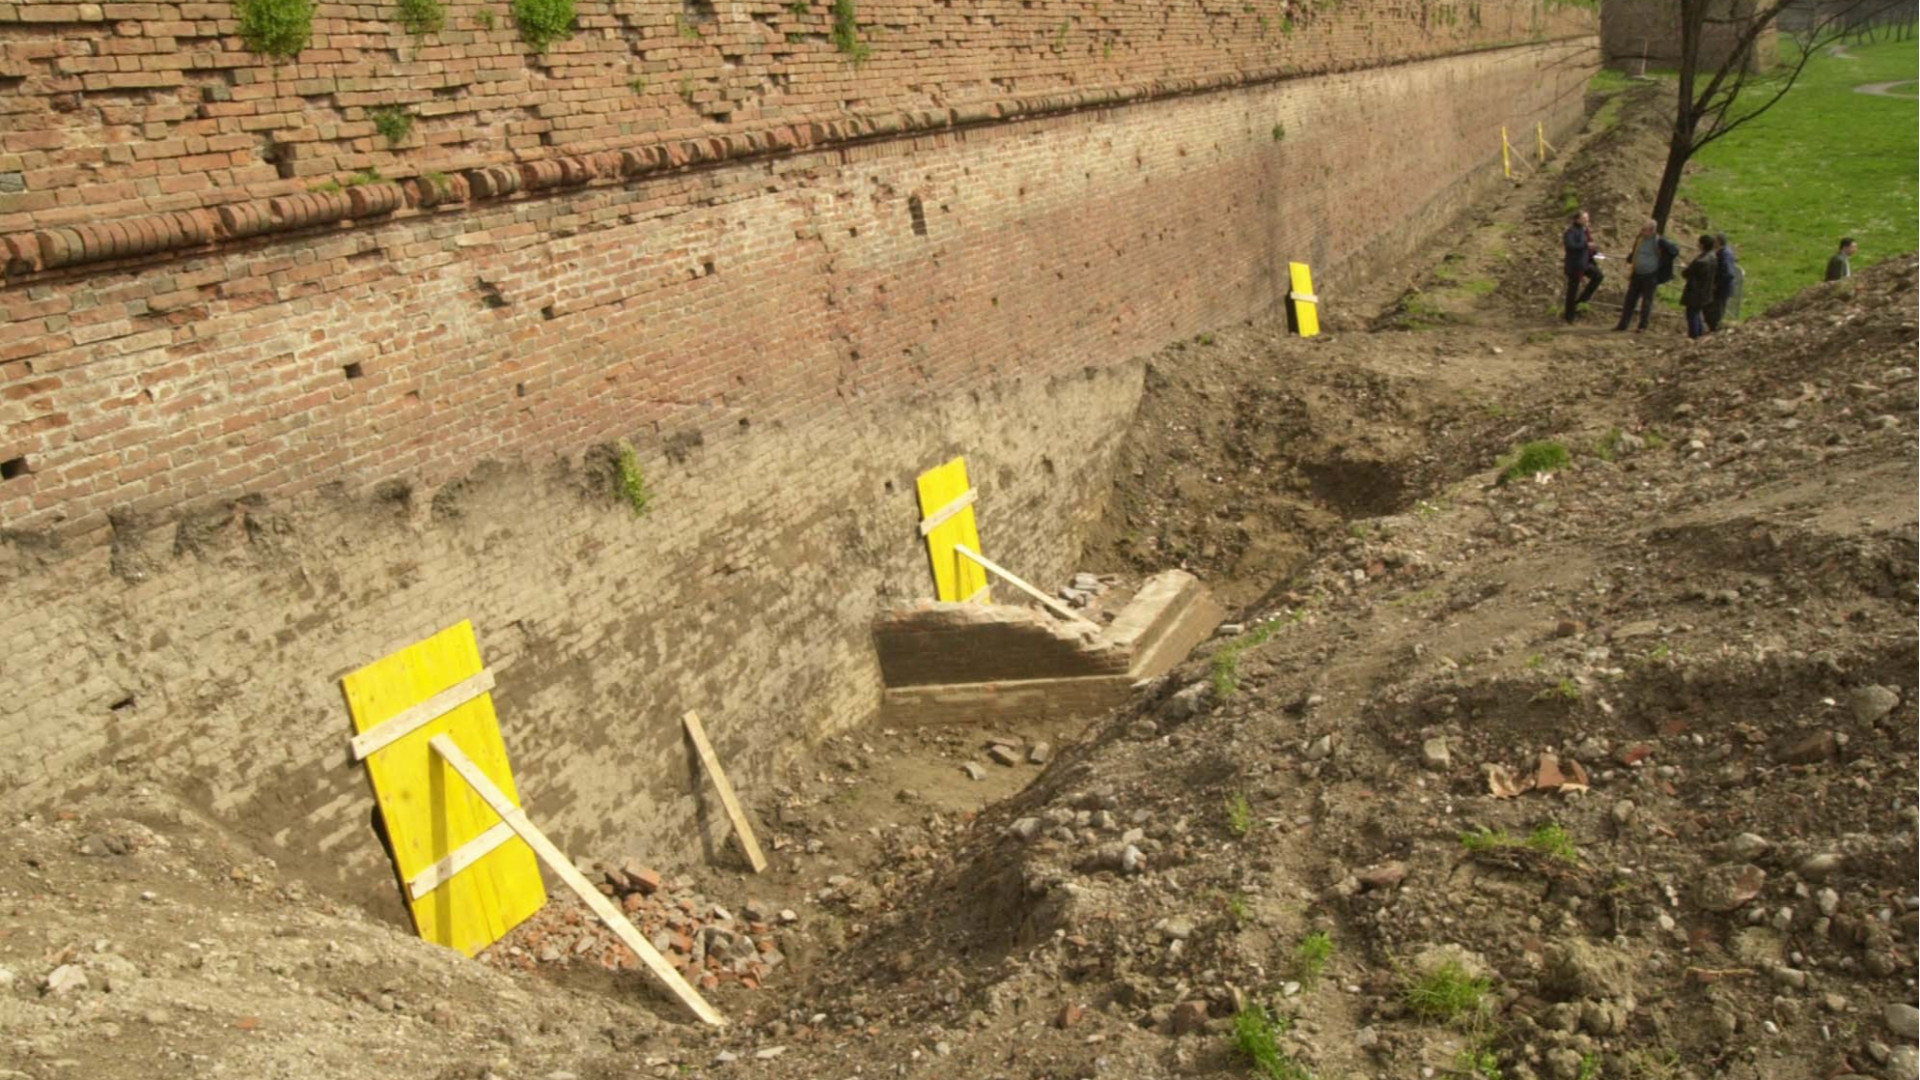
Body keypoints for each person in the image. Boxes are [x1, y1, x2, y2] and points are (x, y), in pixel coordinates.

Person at [1614, 219, 1680, 332]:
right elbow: (1635, 251)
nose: (1641, 231)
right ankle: (1623, 324)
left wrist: (1663, 262)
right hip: (1637, 273)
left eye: (1644, 230)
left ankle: (1643, 326)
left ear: (1651, 231)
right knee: (1630, 300)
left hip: (1650, 275)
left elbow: (1674, 251)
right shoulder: (1639, 239)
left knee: (1647, 302)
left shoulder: (1659, 241)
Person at [1561, 210, 1604, 322]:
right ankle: (1569, 316)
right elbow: (1570, 245)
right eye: (1585, 218)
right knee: (1572, 290)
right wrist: (1586, 245)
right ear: (1578, 220)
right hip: (1574, 265)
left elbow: (1588, 247)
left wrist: (1595, 251)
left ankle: (1580, 302)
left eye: (1587, 218)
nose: (1587, 220)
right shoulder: (1571, 232)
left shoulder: (1585, 231)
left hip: (1585, 264)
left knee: (1598, 276)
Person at [1681, 234, 1718, 340]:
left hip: (1695, 291)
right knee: (1697, 313)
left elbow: (1687, 273)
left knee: (1691, 314)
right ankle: (1699, 333)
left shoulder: (1700, 261)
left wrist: (1686, 269)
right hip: (1706, 291)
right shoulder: (1713, 257)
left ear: (1702, 245)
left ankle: (1694, 336)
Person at [1706, 232, 1739, 330]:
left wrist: (1717, 284)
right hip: (1721, 288)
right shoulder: (1724, 252)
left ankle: (1715, 330)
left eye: (1714, 241)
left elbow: (1728, 273)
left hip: (1721, 290)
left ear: (1718, 242)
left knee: (1716, 311)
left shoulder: (1724, 254)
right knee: (1712, 309)